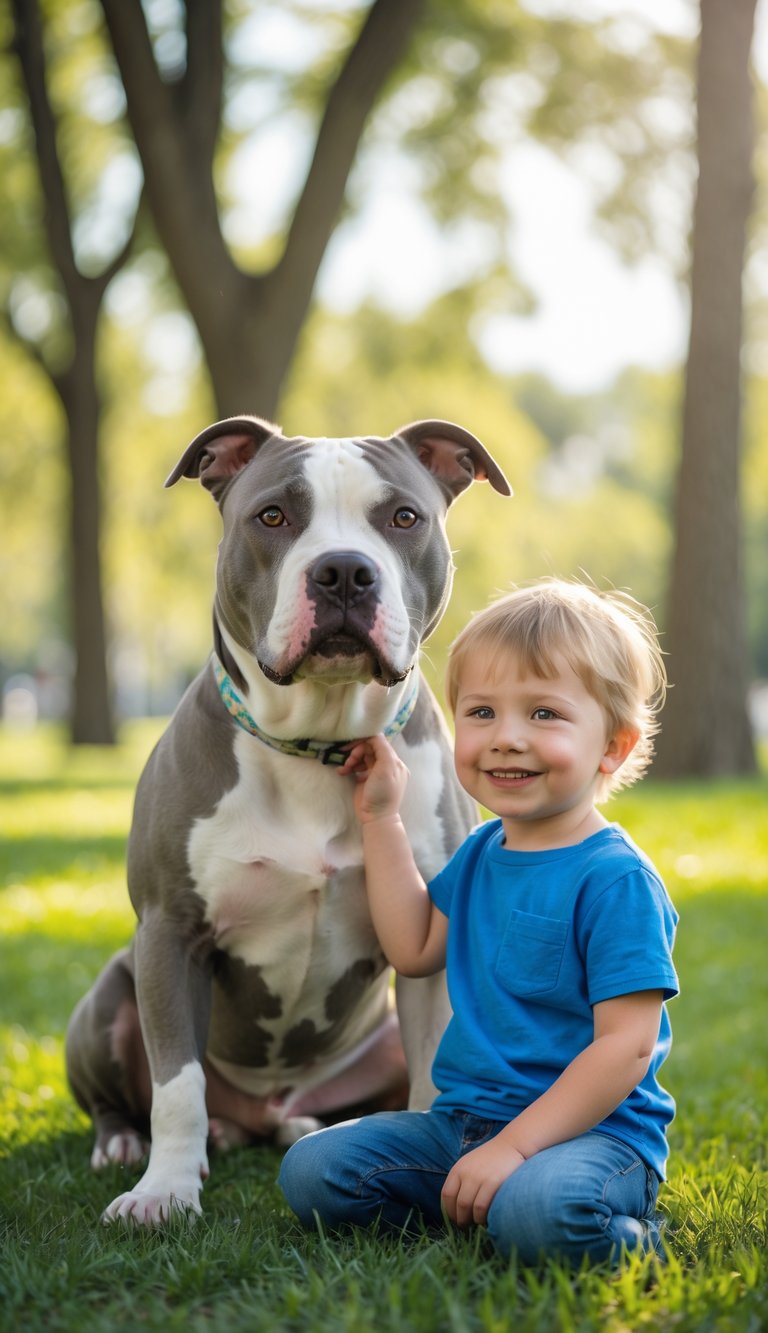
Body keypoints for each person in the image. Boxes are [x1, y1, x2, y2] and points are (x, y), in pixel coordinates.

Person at [278, 578, 679, 1266]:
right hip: (460, 1123)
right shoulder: (481, 852)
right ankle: (478, 1193)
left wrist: (516, 1148)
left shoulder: (617, 878)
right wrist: (380, 817)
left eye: (545, 713)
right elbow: (414, 946)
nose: (506, 738)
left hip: (593, 1136)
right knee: (311, 1169)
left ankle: (633, 1242)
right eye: (482, 712)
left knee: (539, 1212)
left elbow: (627, 1049)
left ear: (612, 747)